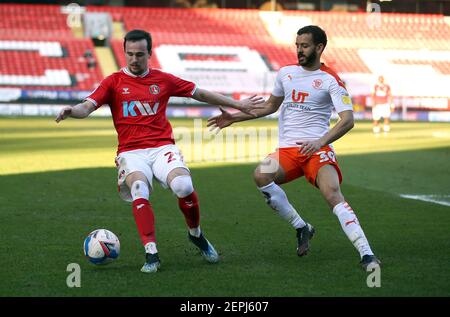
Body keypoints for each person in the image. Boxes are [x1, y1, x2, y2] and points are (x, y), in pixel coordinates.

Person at [56, 29, 263, 273]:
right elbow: (87, 107)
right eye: (130, 54)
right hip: (131, 152)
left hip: (162, 146)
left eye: (140, 54)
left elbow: (200, 93)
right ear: (124, 53)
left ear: (149, 54)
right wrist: (72, 111)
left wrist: (238, 104)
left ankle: (195, 234)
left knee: (184, 187)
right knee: (139, 189)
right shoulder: (112, 82)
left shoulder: (163, 79)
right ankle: (151, 253)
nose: (134, 59)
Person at [207, 25, 381, 270]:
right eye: (297, 45)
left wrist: (320, 142)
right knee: (261, 174)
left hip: (317, 149)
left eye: (305, 46)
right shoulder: (285, 73)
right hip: (287, 151)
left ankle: (367, 254)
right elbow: (269, 106)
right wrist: (234, 117)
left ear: (319, 48)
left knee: (332, 193)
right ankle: (302, 227)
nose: (299, 50)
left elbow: (348, 120)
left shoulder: (331, 79)